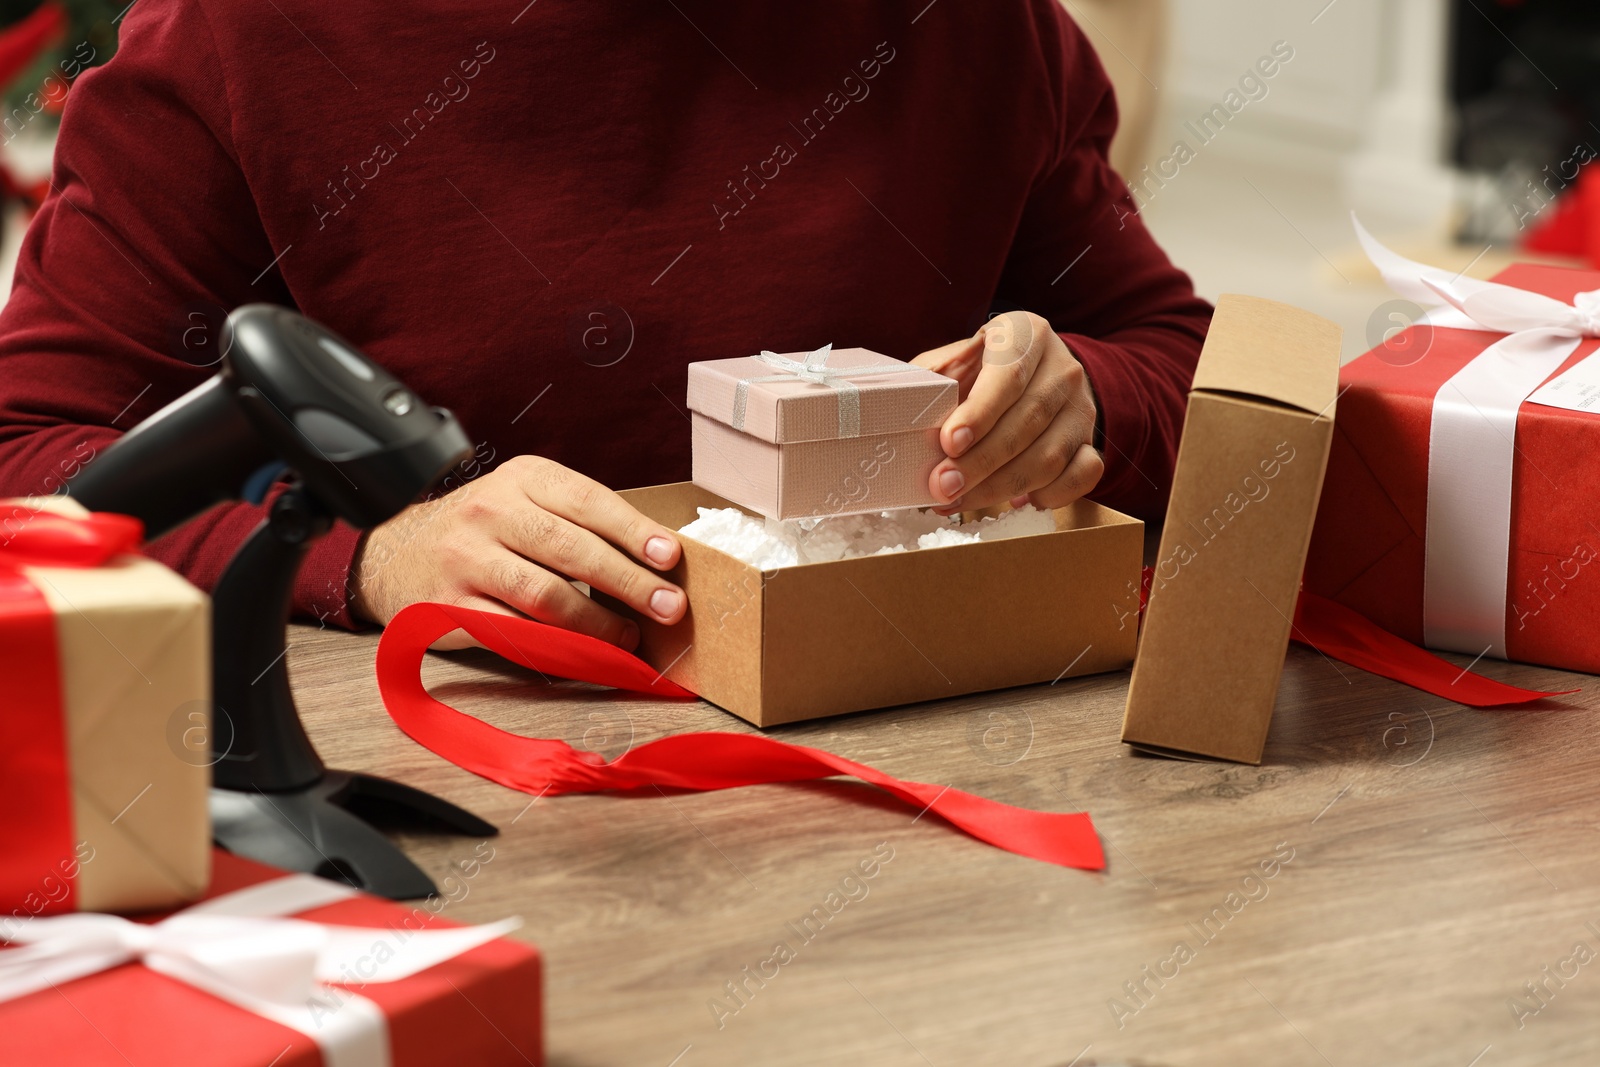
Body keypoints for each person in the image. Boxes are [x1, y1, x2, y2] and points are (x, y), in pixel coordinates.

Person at [0, 0, 1210, 651]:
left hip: (937, 742)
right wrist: (368, 561)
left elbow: (1182, 357)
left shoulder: (974, 29)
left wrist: (1081, 394)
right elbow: (28, 464)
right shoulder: (238, 41)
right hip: (451, 779)